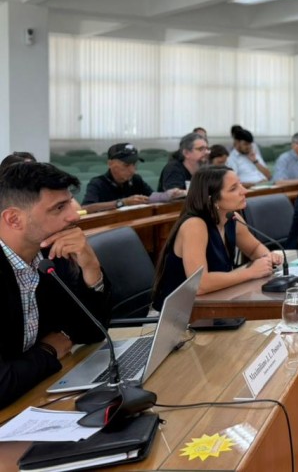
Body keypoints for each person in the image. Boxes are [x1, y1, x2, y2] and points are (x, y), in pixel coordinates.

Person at [0, 162, 111, 408]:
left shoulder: (50, 256)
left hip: (32, 395)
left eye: (70, 202)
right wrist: (48, 351)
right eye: (59, 208)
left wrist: (91, 266)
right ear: (14, 219)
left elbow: (92, 332)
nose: (73, 215)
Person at [152, 166, 283, 309]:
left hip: (212, 304)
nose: (244, 190)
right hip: (177, 316)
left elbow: (253, 248)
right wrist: (251, 272)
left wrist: (267, 257)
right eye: (233, 188)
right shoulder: (195, 225)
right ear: (212, 199)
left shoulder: (232, 217)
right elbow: (200, 284)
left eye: (240, 183)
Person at [82, 143, 182, 212]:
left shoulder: (136, 179)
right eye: (126, 165)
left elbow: (151, 197)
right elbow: (86, 208)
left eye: (134, 164)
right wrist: (122, 203)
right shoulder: (97, 183)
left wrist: (169, 195)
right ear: (110, 164)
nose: (132, 170)